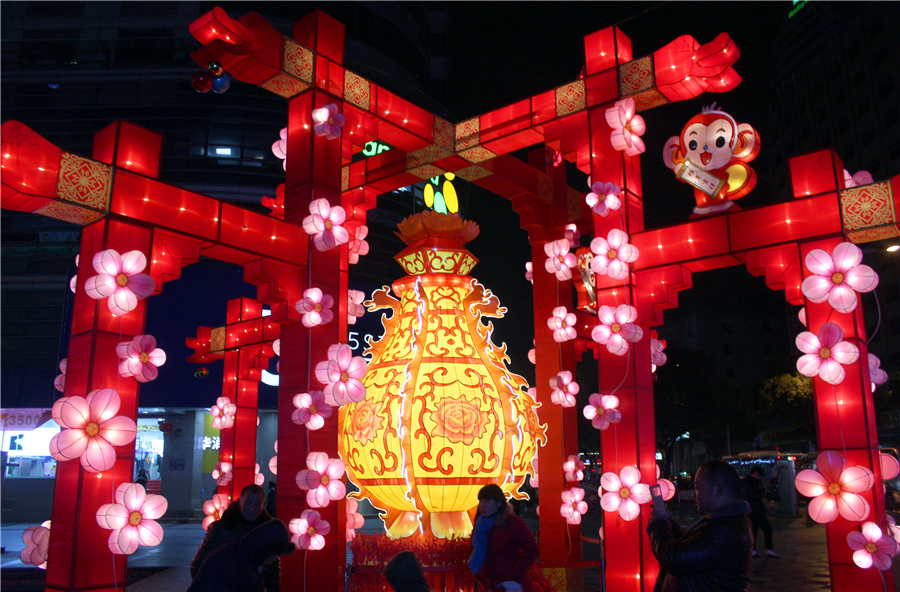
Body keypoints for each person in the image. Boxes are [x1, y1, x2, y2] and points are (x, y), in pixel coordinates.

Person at [647, 460, 753, 592]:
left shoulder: (726, 529)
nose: (694, 494)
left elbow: (675, 560)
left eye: (698, 487)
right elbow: (692, 549)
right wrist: (670, 524)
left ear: (719, 489)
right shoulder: (724, 521)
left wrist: (658, 524)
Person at [191, 484, 281, 591]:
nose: (252, 509)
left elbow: (273, 570)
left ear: (263, 504)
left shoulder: (266, 532)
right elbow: (198, 564)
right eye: (248, 503)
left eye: (257, 504)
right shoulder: (221, 529)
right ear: (239, 502)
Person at [187, 518, 295, 592]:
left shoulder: (249, 558)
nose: (275, 559)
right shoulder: (233, 561)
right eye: (276, 554)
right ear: (268, 549)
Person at [468, 484, 539, 592]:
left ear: (498, 503)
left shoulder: (513, 522)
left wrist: (514, 573)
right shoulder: (480, 526)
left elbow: (532, 550)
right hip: (492, 585)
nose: (482, 505)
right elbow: (473, 551)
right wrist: (481, 574)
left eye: (486, 501)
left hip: (513, 585)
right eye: (480, 501)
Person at [741, 464, 779, 557]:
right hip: (756, 509)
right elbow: (755, 494)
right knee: (766, 529)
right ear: (755, 473)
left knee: (754, 530)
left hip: (750, 509)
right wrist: (763, 492)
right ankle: (767, 549)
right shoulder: (754, 482)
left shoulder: (744, 481)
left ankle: (754, 550)